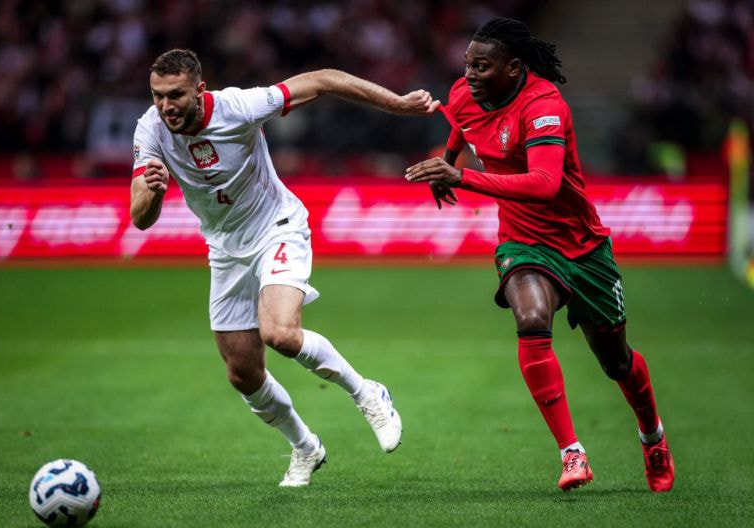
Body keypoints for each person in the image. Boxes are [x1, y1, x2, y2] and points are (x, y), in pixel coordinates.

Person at [131, 49, 439, 487]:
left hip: (277, 227)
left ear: (200, 89)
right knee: (243, 373)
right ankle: (305, 446)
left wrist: (397, 103)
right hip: (225, 249)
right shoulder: (151, 129)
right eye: (158, 96)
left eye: (176, 95)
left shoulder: (240, 107)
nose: (166, 106)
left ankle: (367, 393)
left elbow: (323, 79)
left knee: (280, 333)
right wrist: (155, 192)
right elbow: (140, 218)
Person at [405, 18, 674, 493]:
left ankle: (652, 437)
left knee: (616, 362)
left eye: (481, 67)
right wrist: (448, 160)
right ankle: (572, 453)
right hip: (522, 241)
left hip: (582, 245)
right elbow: (463, 126)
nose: (468, 75)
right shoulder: (465, 93)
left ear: (513, 68)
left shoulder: (543, 105)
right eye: (467, 64)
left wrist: (461, 177)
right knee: (530, 318)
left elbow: (546, 184)